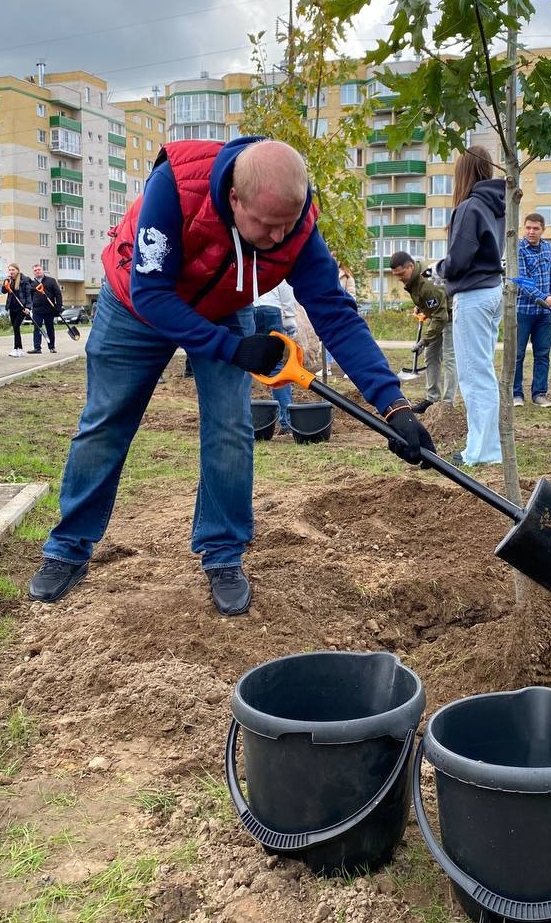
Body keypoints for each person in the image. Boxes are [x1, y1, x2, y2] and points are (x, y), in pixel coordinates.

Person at [27, 136, 434, 614]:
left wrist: (393, 405)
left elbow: (337, 315)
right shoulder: (175, 188)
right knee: (105, 422)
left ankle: (223, 552)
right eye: (267, 225)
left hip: (222, 307)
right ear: (234, 199)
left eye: (288, 225)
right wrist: (232, 348)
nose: (279, 239)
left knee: (230, 429)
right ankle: (68, 547)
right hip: (136, 302)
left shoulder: (295, 226)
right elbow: (153, 294)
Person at [436, 145, 505, 466]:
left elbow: (460, 260)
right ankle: (483, 447)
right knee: (482, 371)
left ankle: (482, 452)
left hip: (474, 295)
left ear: (463, 172)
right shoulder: (498, 206)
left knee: (474, 374)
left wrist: (438, 269)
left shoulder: (469, 208)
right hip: (492, 292)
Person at [389, 251, 457, 413]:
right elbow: (429, 304)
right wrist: (422, 308)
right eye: (396, 275)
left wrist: (424, 341)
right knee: (431, 356)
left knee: (449, 358)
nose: (399, 278)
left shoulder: (426, 284)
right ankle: (432, 399)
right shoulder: (414, 281)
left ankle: (448, 403)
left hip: (451, 316)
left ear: (411, 266)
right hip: (438, 314)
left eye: (401, 273)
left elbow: (441, 317)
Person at [513, 212, 551, 408]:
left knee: (542, 354)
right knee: (518, 354)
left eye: (536, 228)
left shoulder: (548, 247)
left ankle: (539, 393)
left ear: (543, 230)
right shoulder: (518, 248)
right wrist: (543, 298)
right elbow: (522, 281)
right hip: (523, 311)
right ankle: (516, 394)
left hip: (544, 314)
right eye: (528, 228)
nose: (531, 232)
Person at [253, 280, 297, 435]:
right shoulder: (273, 257)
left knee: (242, 364)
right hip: (271, 309)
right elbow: (285, 288)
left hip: (247, 308)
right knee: (275, 366)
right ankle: (287, 421)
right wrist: (290, 318)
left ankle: (241, 419)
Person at [1, 263, 33, 356]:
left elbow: (28, 294)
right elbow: (3, 291)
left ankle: (16, 348)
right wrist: (6, 281)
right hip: (12, 307)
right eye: (10, 270)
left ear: (17, 270)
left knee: (16, 326)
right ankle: (19, 349)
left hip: (21, 308)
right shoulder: (9, 280)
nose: (11, 272)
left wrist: (28, 307)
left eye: (13, 270)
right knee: (16, 329)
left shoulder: (24, 280)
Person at [30, 264, 62, 353]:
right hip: (37, 310)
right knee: (37, 328)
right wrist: (30, 306)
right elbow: (30, 296)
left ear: (42, 270)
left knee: (50, 328)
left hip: (49, 309)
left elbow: (58, 294)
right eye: (35, 270)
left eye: (39, 269)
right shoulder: (32, 284)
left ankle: (52, 347)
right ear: (33, 272)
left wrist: (58, 307)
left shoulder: (51, 281)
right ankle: (37, 348)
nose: (37, 271)